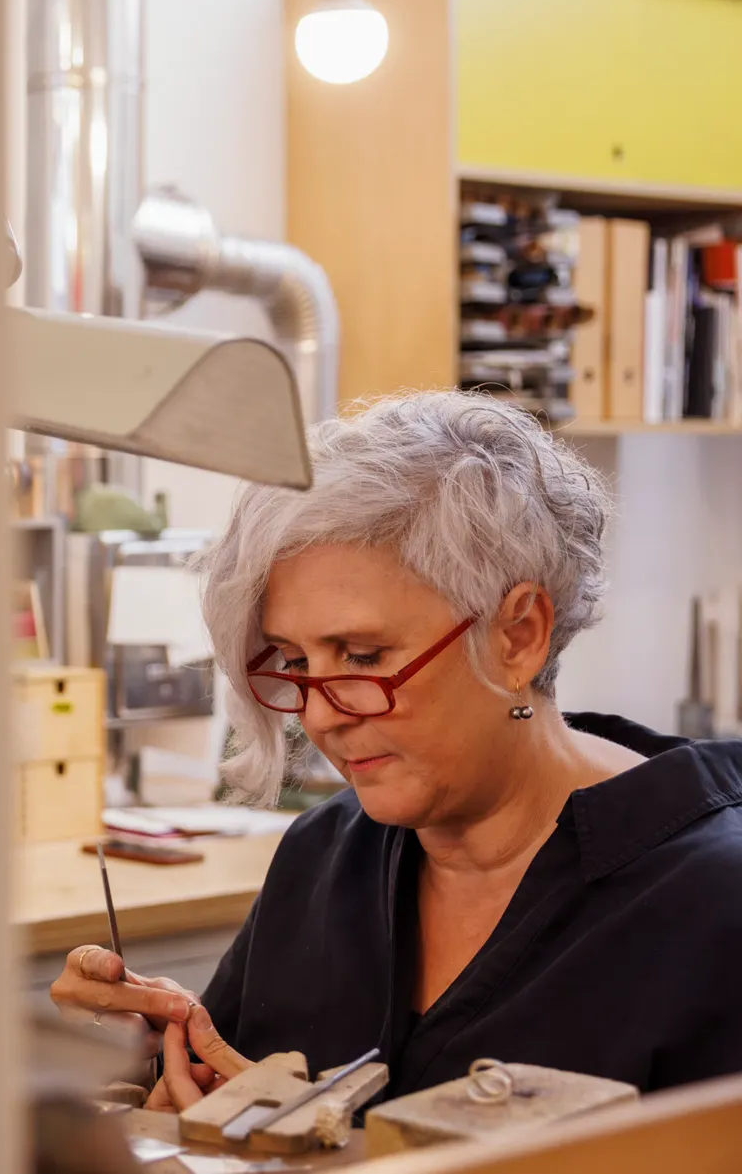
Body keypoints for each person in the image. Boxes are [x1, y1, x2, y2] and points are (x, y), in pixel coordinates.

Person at [49, 390, 742, 1110]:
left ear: (519, 636)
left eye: (363, 655)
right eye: (295, 662)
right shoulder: (325, 855)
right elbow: (227, 1095)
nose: (320, 713)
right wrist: (152, 1057)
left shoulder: (711, 903)